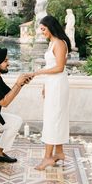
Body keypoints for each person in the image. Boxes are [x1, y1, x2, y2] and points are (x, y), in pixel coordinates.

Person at [31, 15, 71, 170]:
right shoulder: (52, 43)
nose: (42, 32)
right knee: (54, 117)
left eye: (43, 29)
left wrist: (39, 72)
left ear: (50, 27)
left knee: (53, 118)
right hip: (52, 83)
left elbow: (60, 67)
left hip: (58, 85)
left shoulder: (60, 44)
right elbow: (53, 66)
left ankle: (48, 157)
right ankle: (59, 152)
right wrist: (45, 85)